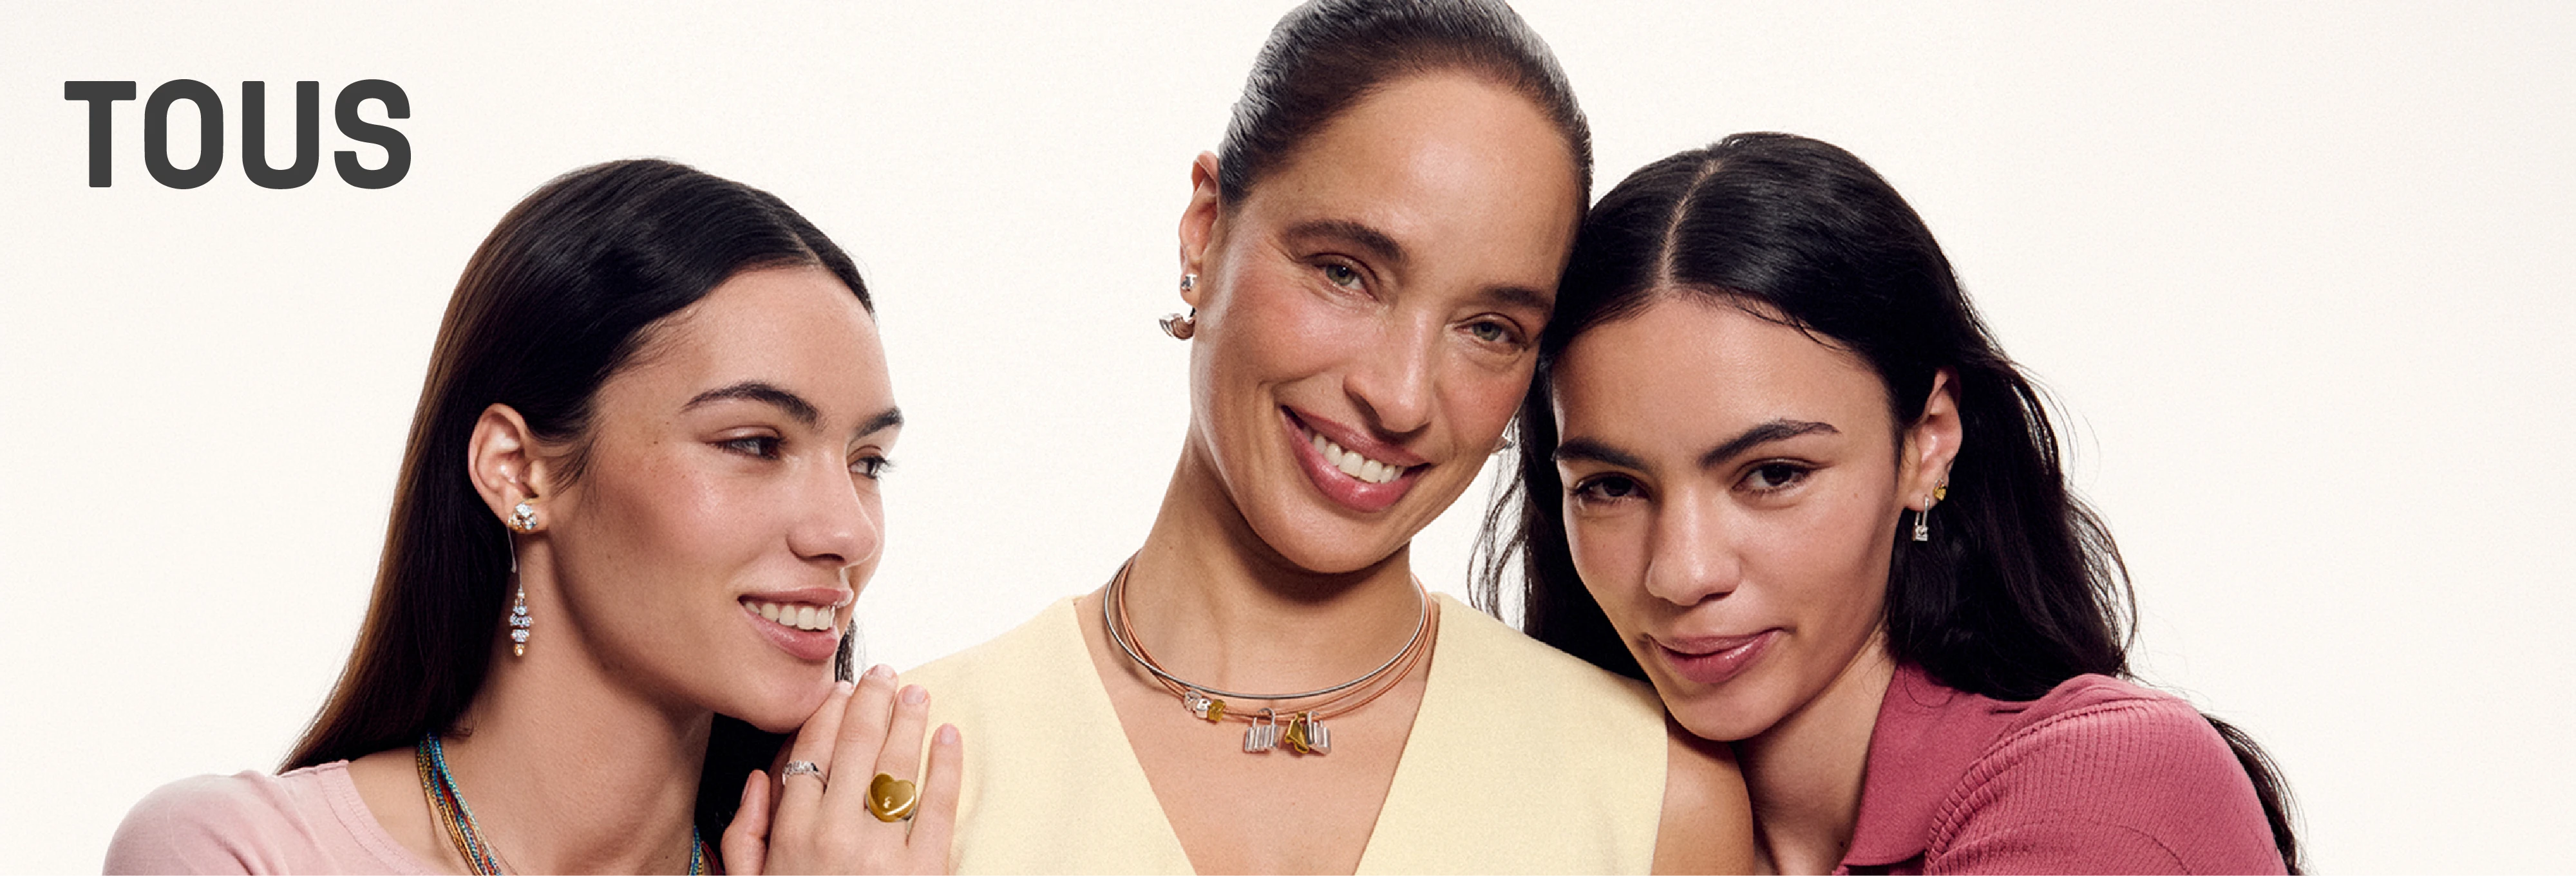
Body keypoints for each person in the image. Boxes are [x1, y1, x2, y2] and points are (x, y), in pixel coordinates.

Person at [902, 2, 1752, 874]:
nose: (1401, 396)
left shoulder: (1655, 797)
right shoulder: (897, 765)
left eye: (1489, 328)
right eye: (1345, 272)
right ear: (1205, 230)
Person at [1480, 132, 2304, 875]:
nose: (1681, 571)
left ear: (1927, 441)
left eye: (1773, 473)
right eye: (1612, 486)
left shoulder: (2104, 788)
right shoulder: (1573, 817)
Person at [106, 159, 959, 876]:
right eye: (753, 443)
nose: (849, 532)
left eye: (867, 461)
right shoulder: (239, 852)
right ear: (517, 470)